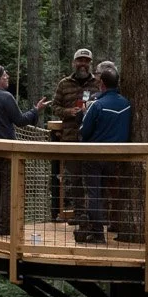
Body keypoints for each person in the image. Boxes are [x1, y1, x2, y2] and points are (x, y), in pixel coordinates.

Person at [0, 63, 46, 235]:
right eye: (4, 74)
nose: (7, 77)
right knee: (8, 189)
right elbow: (20, 121)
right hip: (7, 151)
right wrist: (36, 110)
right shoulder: (6, 97)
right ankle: (5, 228)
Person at [77, 60, 133, 243]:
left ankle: (98, 233)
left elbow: (85, 131)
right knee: (109, 192)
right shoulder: (127, 104)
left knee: (94, 194)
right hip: (116, 157)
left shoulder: (97, 105)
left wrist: (83, 114)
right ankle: (114, 223)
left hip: (95, 155)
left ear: (101, 83)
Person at [49, 49, 99, 218]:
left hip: (93, 139)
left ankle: (94, 214)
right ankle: (79, 213)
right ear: (74, 62)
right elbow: (54, 106)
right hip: (70, 137)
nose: (83, 64)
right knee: (75, 177)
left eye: (86, 61)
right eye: (80, 60)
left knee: (93, 177)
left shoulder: (97, 83)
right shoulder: (64, 84)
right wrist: (68, 112)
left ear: (90, 63)